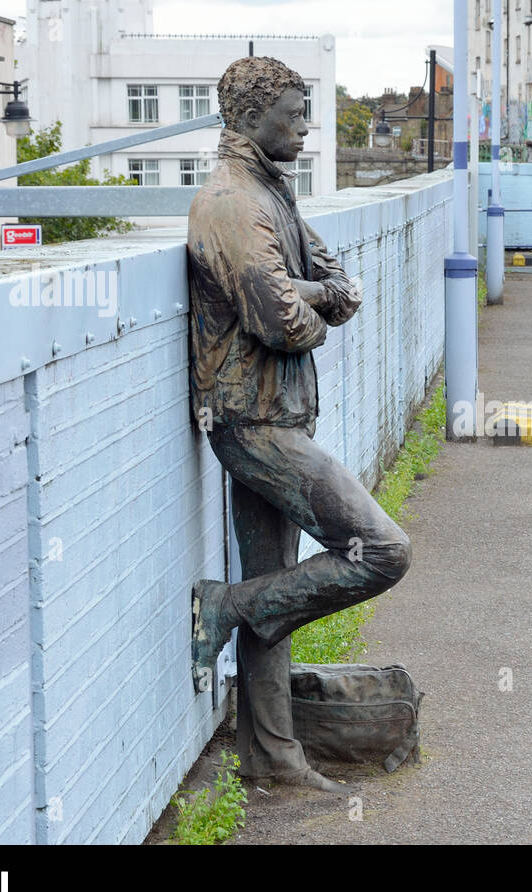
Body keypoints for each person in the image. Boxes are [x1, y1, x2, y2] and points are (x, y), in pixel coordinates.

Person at [187, 57, 411, 793]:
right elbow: (283, 322)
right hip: (251, 422)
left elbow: (339, 287)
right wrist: (313, 298)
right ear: (250, 120)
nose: (308, 127)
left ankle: (274, 759)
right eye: (295, 112)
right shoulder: (231, 203)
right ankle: (224, 606)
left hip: (276, 412)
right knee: (381, 548)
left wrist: (311, 292)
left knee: (275, 590)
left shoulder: (269, 190)